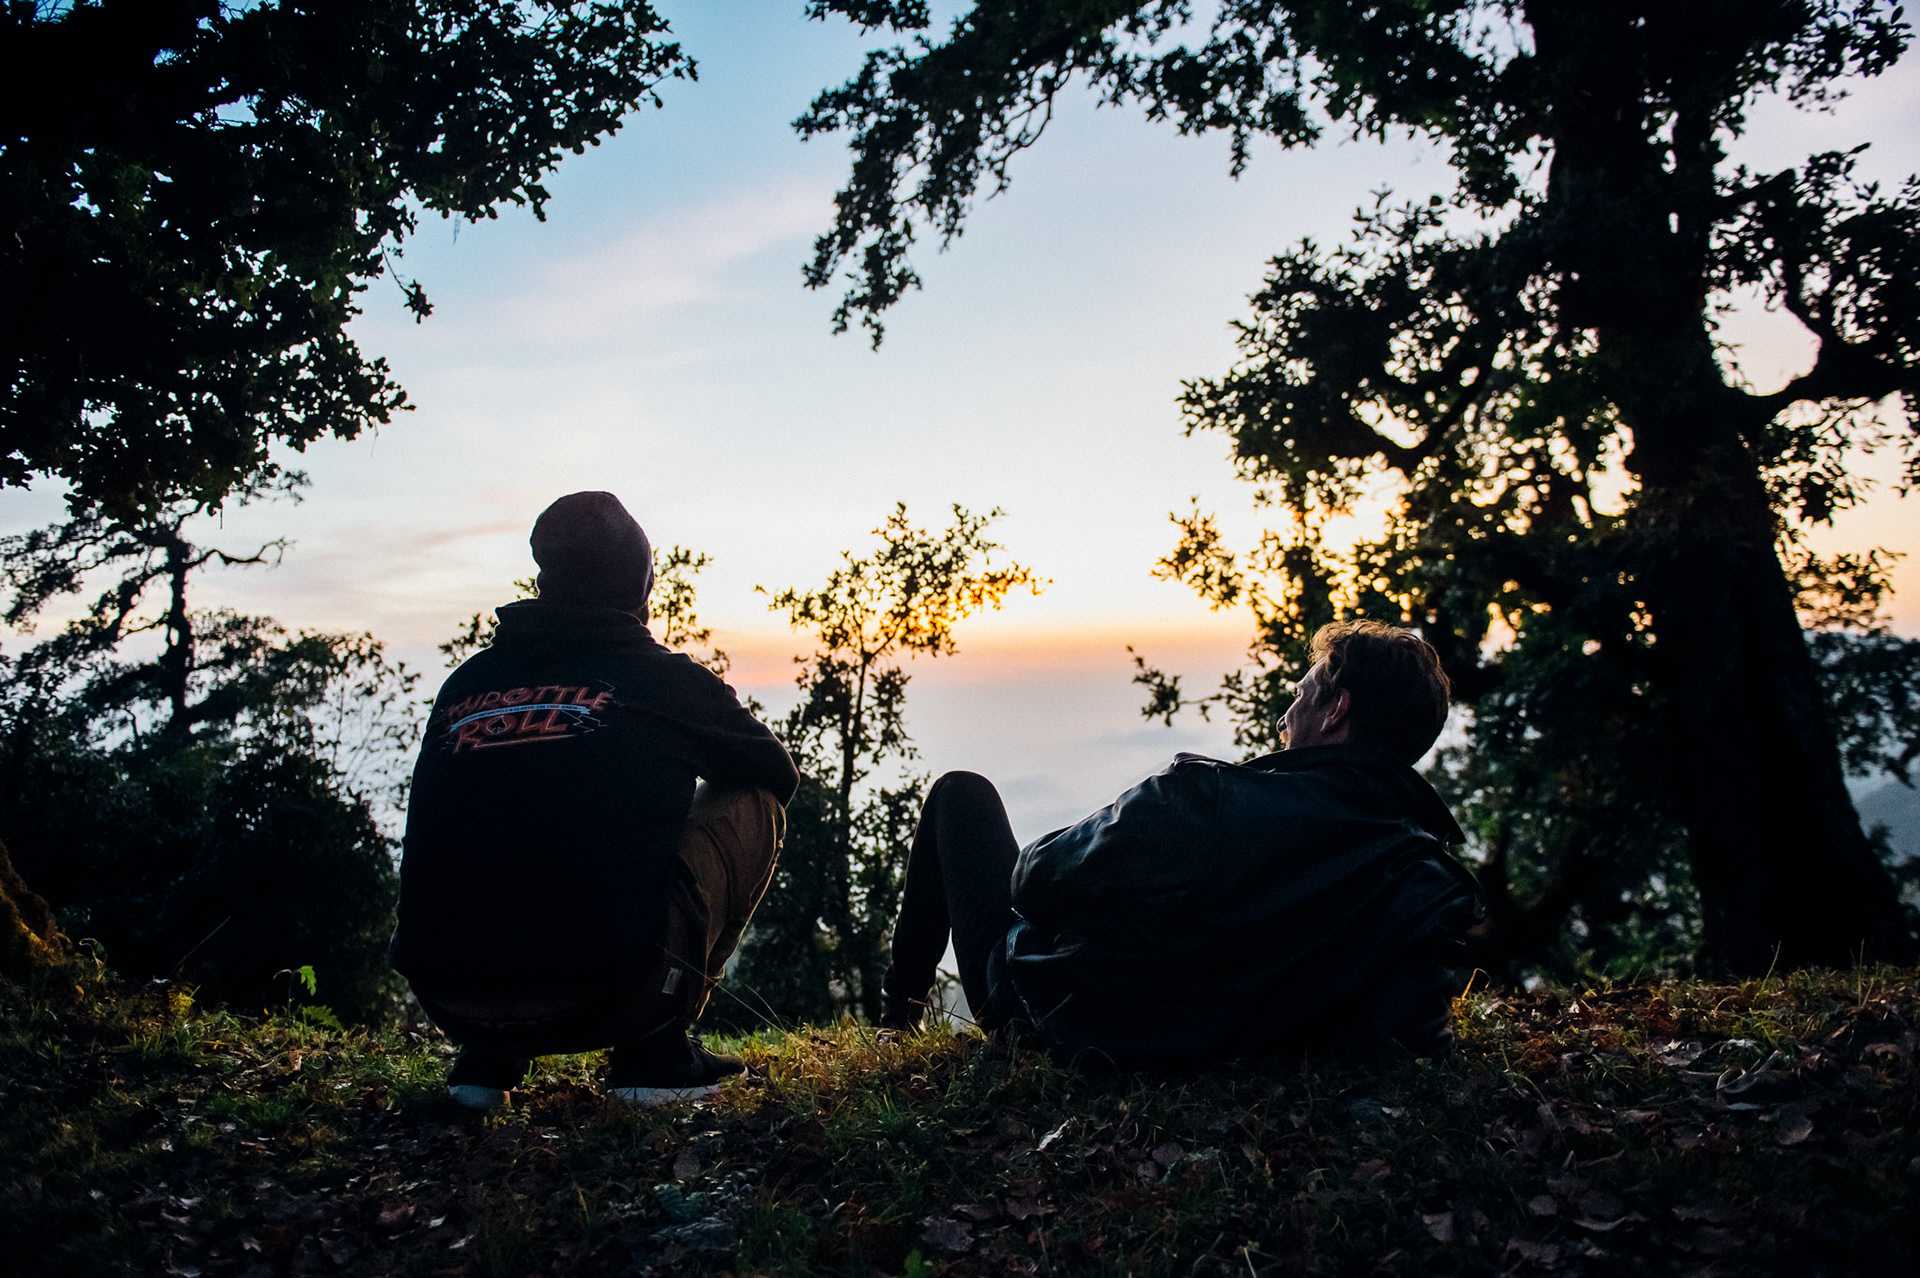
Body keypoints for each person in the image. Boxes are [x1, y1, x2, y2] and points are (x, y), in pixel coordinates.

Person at [880, 620, 1483, 1065]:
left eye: (1302, 695)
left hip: (1060, 1022)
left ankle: (896, 1022)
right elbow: (1408, 1039)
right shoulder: (1428, 884)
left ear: (1336, 711)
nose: (1286, 714)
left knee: (961, 794)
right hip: (1221, 1051)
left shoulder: (1205, 800)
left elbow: (1035, 883)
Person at [392, 492, 798, 1108]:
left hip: (450, 1000)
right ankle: (655, 1048)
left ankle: (486, 1063)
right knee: (755, 800)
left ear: (544, 581)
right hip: (607, 994)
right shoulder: (664, 678)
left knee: (501, 804)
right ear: (640, 584)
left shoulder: (467, 681)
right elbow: (773, 772)